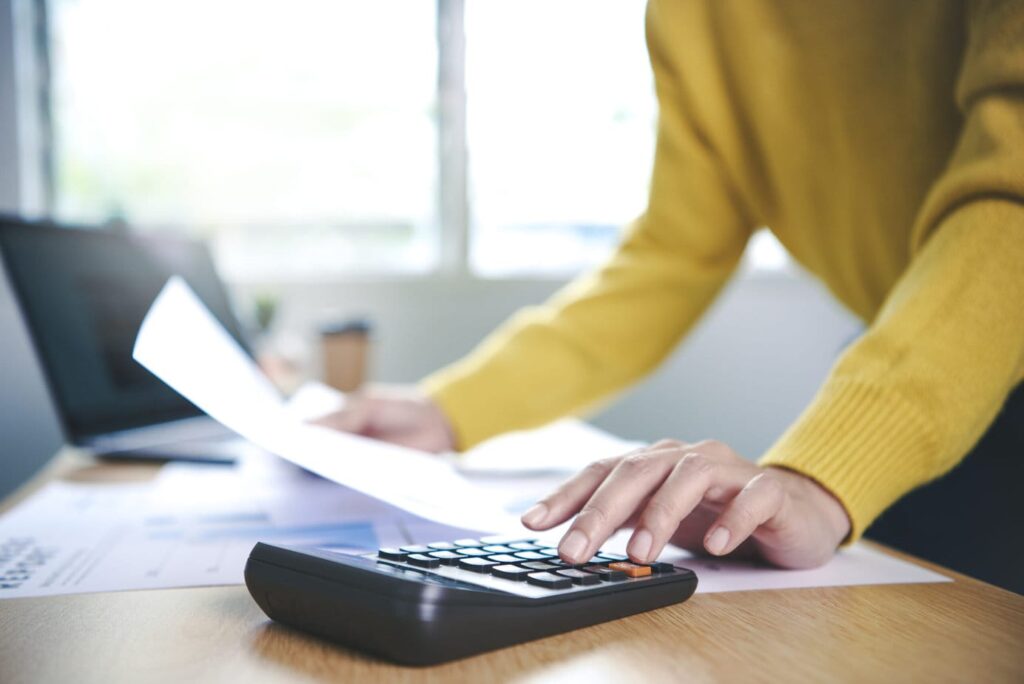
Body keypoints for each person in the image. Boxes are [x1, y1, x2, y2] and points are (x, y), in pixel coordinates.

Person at [317, 1, 1024, 590]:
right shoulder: (696, 13)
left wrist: (820, 475)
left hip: (946, 368)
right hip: (921, 366)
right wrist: (451, 409)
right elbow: (675, 251)